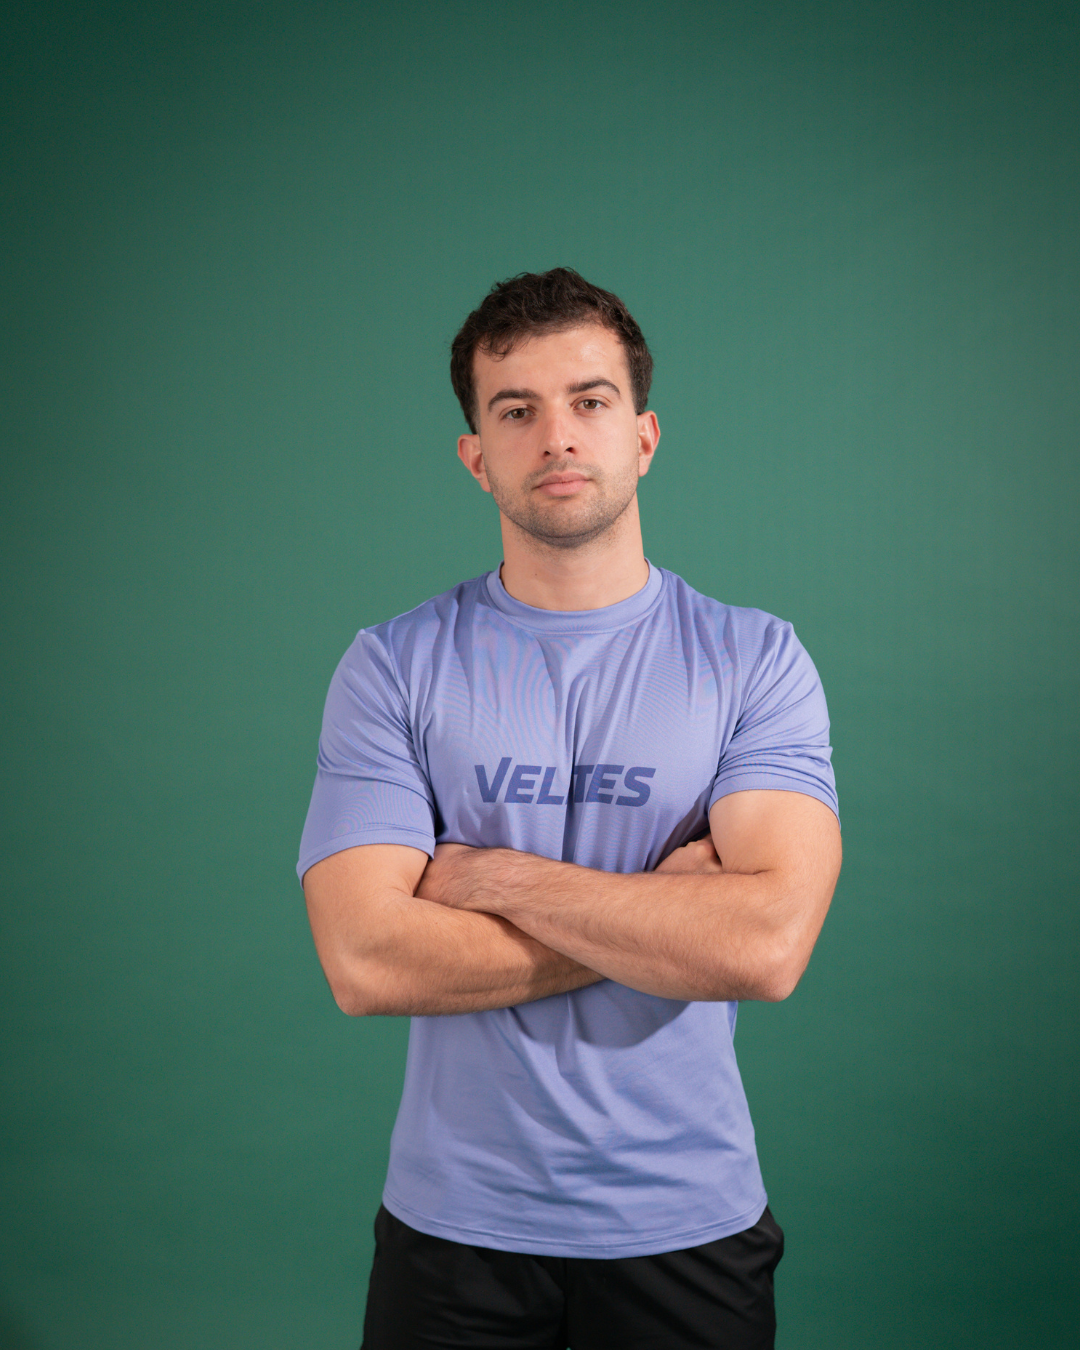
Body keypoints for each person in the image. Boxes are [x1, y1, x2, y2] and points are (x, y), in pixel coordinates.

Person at [298, 267, 841, 1350]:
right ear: (476, 456)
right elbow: (365, 963)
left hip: (688, 1223)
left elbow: (767, 948)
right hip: (455, 1229)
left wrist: (491, 878)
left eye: (589, 401)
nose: (556, 436)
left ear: (643, 436)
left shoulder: (754, 658)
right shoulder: (393, 666)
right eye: (517, 411)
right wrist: (663, 919)